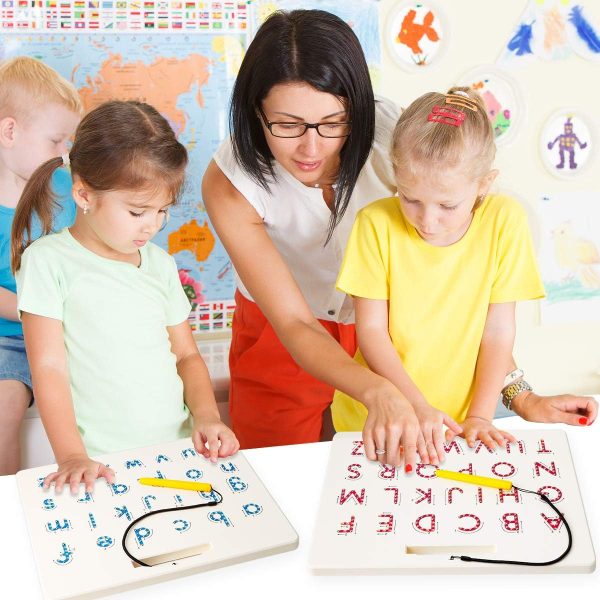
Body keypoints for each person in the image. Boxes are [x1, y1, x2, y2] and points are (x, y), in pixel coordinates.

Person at [202, 9, 597, 464]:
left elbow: (464, 294)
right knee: (277, 471)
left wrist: (519, 394)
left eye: (333, 122)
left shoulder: (392, 134)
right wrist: (378, 389)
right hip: (283, 334)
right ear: (256, 111)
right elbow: (295, 325)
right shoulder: (232, 182)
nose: (312, 148)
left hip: (394, 330)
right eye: (287, 125)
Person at [332, 88, 597, 464]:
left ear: (483, 185)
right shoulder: (374, 224)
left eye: (447, 205)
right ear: (396, 176)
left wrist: (480, 416)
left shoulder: (505, 221)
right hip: (378, 422)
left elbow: (497, 331)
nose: (427, 220)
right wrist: (416, 406)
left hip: (464, 420)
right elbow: (372, 332)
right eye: (409, 198)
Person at [12, 100, 239, 493]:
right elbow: (48, 368)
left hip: (180, 452)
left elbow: (186, 356)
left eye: (162, 211)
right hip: (98, 464)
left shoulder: (160, 265)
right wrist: (71, 455)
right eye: (138, 212)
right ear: (84, 195)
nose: (152, 225)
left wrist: (207, 416)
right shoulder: (48, 262)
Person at [0, 56, 81, 475]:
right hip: (10, 336)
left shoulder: (67, 188)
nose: (64, 154)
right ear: (9, 131)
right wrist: (39, 313)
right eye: (55, 141)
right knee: (3, 408)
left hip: (69, 327)